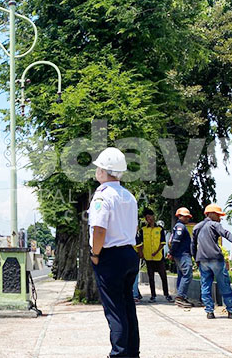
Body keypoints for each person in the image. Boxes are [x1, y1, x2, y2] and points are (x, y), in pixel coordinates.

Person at [88, 147, 140, 358]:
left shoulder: (102, 196)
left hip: (110, 256)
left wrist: (95, 254)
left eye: (98, 167)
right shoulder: (129, 196)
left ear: (104, 170)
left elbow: (99, 229)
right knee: (128, 306)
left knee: (115, 310)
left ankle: (118, 354)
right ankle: (131, 352)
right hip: (129, 253)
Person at [192, 203, 232, 319]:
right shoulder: (214, 225)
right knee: (224, 284)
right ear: (210, 214)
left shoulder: (197, 227)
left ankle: (209, 312)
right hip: (215, 259)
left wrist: (196, 258)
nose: (220, 218)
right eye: (218, 215)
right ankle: (231, 311)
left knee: (205, 285)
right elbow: (226, 234)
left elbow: (193, 245)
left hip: (202, 260)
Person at [137, 208, 173, 303]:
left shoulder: (160, 229)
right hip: (148, 257)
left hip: (158, 257)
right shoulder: (143, 230)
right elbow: (140, 243)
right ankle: (153, 295)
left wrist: (157, 251)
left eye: (150, 217)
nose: (149, 219)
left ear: (153, 217)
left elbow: (162, 242)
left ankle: (167, 294)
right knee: (151, 277)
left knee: (163, 276)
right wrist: (141, 253)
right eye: (147, 218)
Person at [167, 207, 195, 308]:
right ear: (179, 216)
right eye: (185, 216)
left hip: (179, 255)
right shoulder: (180, 227)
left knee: (181, 275)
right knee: (187, 274)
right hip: (183, 254)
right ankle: (180, 297)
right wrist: (171, 252)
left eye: (188, 217)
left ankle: (181, 296)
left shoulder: (179, 226)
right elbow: (175, 241)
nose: (187, 218)